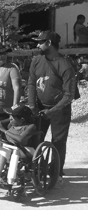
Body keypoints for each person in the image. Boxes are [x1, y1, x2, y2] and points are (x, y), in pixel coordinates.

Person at [27, 30, 76, 187]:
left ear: (49, 43)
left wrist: (52, 111)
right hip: (40, 107)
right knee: (36, 139)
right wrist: (33, 105)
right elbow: (31, 83)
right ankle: (36, 169)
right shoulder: (36, 60)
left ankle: (57, 172)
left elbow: (69, 95)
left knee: (58, 142)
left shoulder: (65, 65)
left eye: (40, 42)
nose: (38, 44)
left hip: (59, 110)